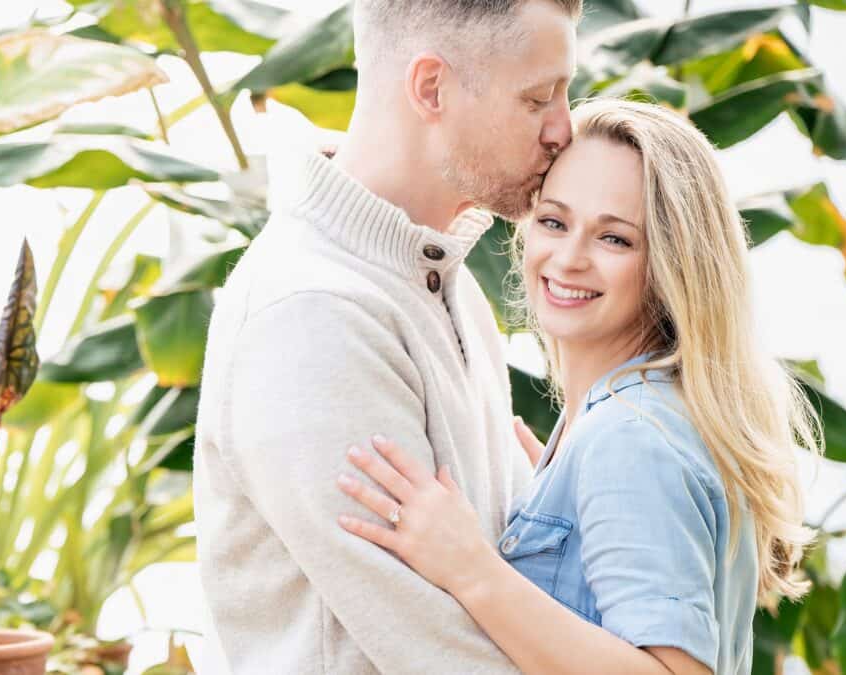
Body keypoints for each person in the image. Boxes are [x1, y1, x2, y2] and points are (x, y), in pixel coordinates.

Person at [336, 99, 821, 675]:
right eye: (553, 222)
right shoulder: (632, 420)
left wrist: (470, 569)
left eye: (614, 239)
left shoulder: (630, 437)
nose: (568, 258)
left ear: (672, 265)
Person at [192, 0, 579, 672]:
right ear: (432, 87)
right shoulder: (311, 318)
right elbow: (449, 655)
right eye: (539, 97)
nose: (563, 129)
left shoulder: (435, 278)